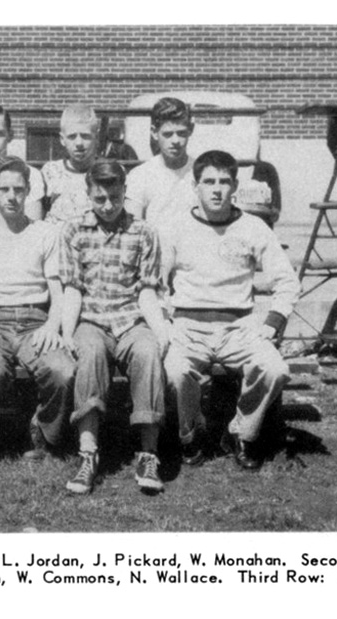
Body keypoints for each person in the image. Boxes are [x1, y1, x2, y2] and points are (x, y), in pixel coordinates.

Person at [161, 150, 299, 470]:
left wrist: (273, 321)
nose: (217, 190)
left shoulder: (252, 227)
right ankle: (191, 433)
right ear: (195, 186)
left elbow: (287, 281)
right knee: (175, 372)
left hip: (239, 328)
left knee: (274, 369)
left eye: (224, 182)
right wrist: (164, 321)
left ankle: (241, 432)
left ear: (235, 186)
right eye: (209, 182)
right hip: (188, 326)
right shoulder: (175, 227)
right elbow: (155, 283)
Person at [60, 160, 170, 495]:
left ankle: (148, 454)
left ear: (125, 192)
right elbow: (72, 288)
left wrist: (160, 331)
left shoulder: (144, 232)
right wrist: (67, 332)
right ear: (88, 195)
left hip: (130, 319)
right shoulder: (74, 231)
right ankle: (88, 454)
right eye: (100, 199)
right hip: (91, 320)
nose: (108, 206)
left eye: (115, 198)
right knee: (90, 352)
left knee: (148, 352)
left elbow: (147, 291)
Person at [0, 156, 74, 462]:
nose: (11, 196)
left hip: (35, 321)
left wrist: (52, 325)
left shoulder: (45, 232)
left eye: (18, 189)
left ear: (28, 191)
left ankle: (43, 431)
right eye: (3, 189)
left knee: (63, 371)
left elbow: (58, 292)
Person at [124, 97, 197, 230]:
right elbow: (132, 228)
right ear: (154, 132)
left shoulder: (200, 172)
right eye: (168, 134)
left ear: (191, 129)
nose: (175, 141)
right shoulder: (140, 175)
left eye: (181, 133)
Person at [42, 104, 102, 224]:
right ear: (62, 139)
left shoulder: (107, 170)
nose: (79, 143)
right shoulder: (50, 171)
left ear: (96, 137)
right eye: (72, 136)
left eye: (85, 136)